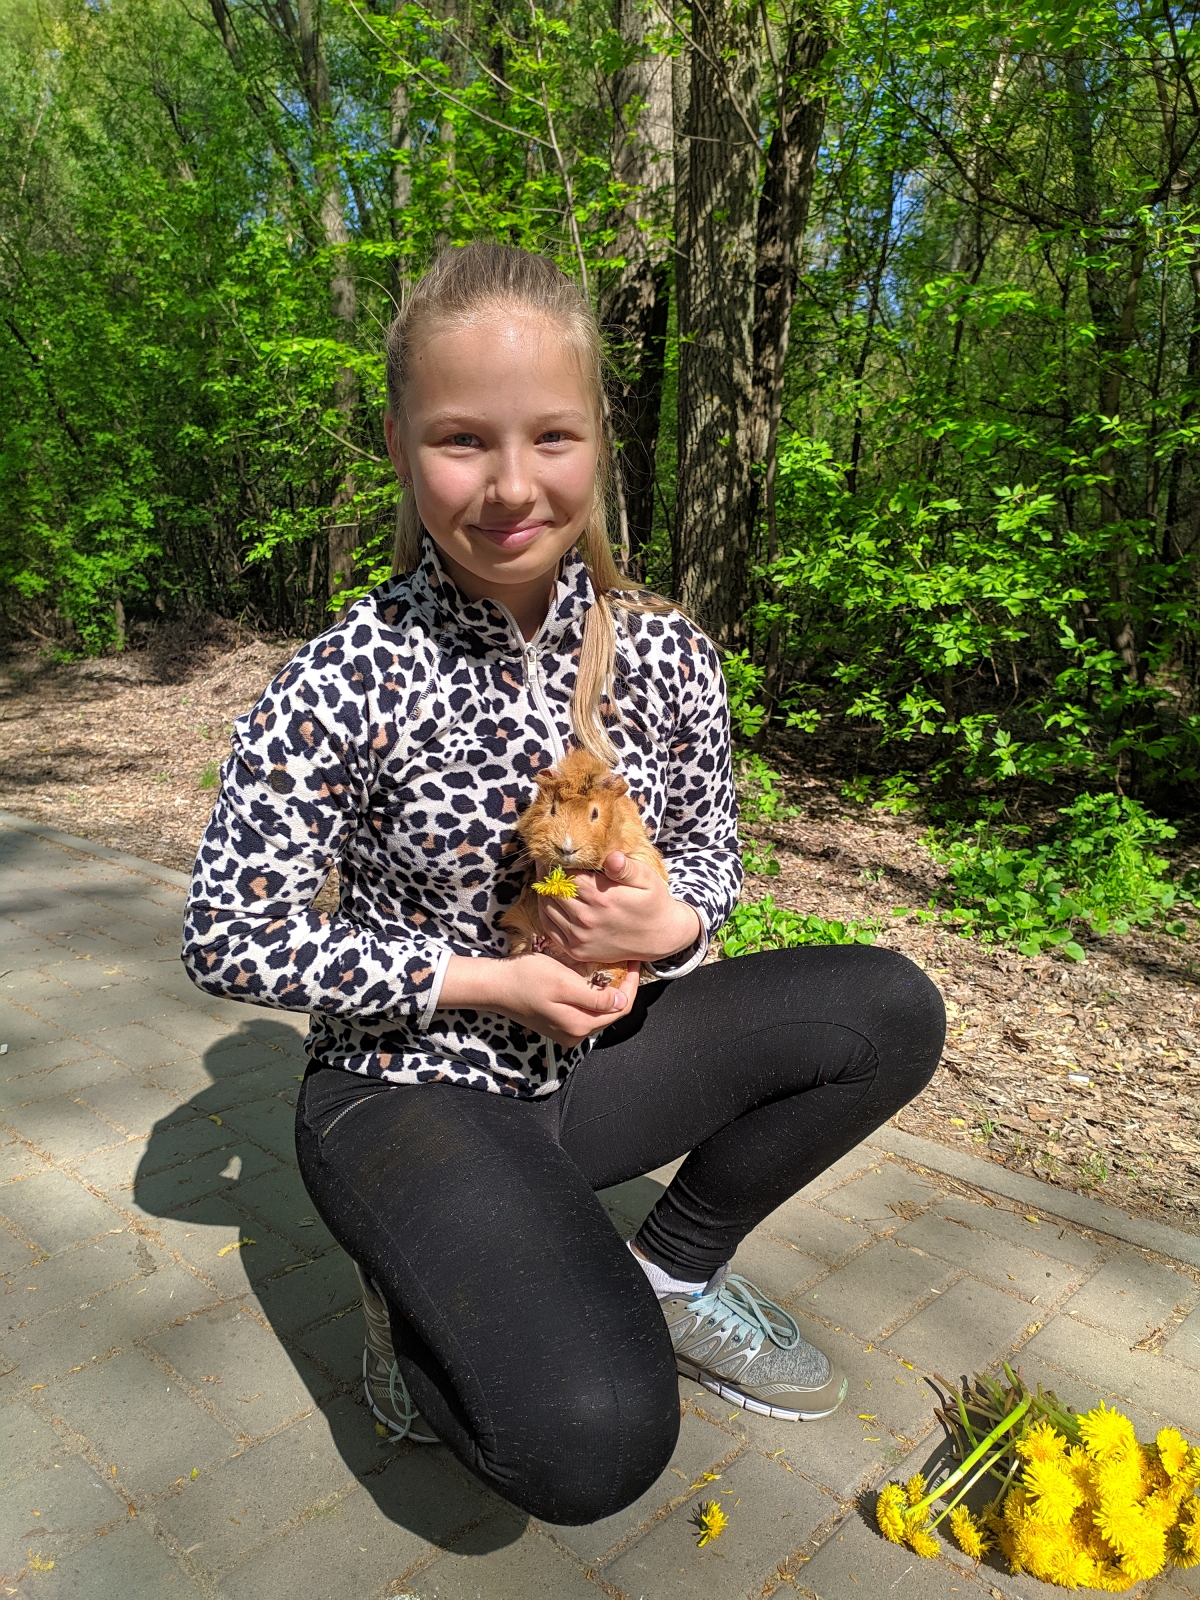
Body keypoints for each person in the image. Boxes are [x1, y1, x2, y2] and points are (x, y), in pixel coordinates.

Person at [182, 242, 945, 1527]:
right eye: (462, 440)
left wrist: (676, 925)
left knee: (887, 1010)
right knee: (591, 1440)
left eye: (552, 435)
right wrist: (487, 981)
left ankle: (670, 1275)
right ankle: (416, 1278)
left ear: (600, 442)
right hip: (411, 1088)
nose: (511, 484)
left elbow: (713, 853)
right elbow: (224, 934)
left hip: (599, 1063)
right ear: (400, 443)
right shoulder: (347, 673)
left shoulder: (666, 652)